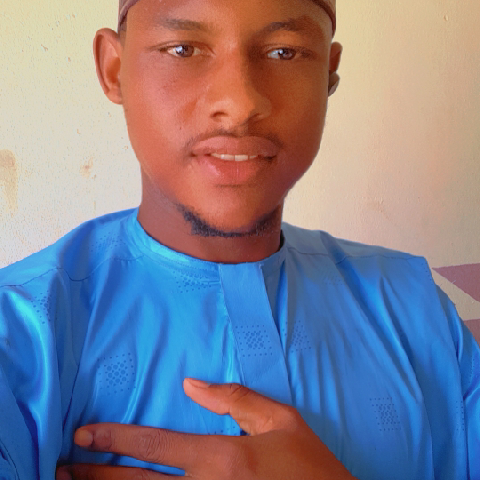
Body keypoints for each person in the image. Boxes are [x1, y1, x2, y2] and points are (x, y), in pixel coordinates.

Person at [0, 0, 478, 479]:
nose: (240, 102)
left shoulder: (417, 309)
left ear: (328, 74)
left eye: (284, 52)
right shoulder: (23, 332)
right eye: (183, 49)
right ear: (114, 68)